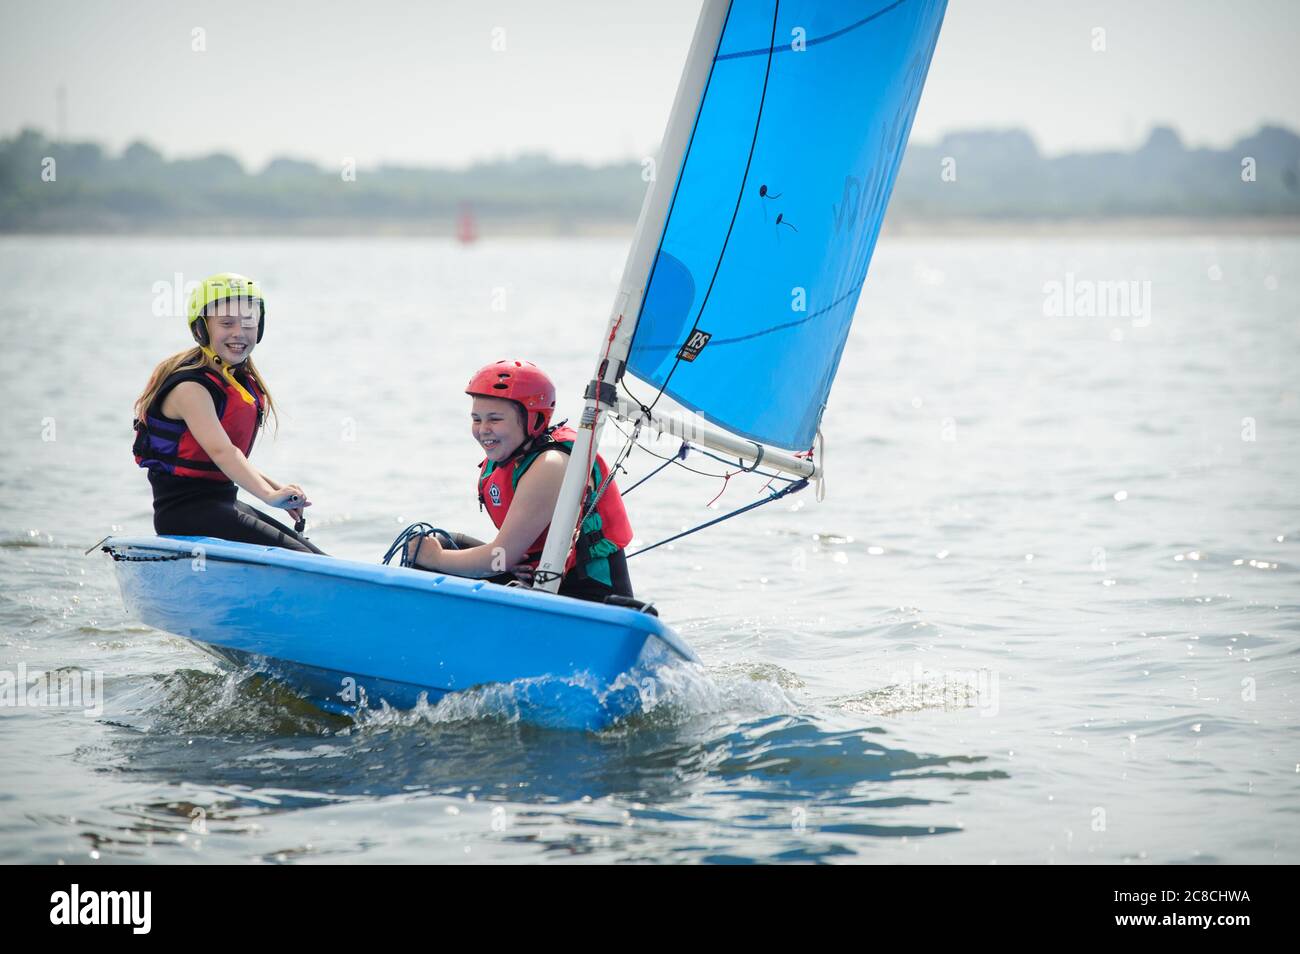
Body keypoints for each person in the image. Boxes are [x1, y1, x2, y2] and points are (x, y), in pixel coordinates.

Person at [404, 359, 633, 602]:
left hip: (591, 596)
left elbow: (499, 557)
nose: (483, 429)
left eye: (494, 419)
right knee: (429, 545)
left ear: (533, 420)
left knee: (433, 556)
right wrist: (505, 564)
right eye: (477, 419)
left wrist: (435, 558)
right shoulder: (511, 458)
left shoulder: (551, 465)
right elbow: (505, 559)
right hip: (537, 581)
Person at [132, 272, 324, 554]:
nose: (239, 332)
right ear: (201, 329)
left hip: (223, 503)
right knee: (304, 558)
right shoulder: (190, 388)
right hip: (186, 515)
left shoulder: (233, 379)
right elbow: (223, 452)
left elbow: (226, 457)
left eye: (248, 323)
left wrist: (279, 491)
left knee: (313, 555)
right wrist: (269, 496)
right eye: (226, 323)